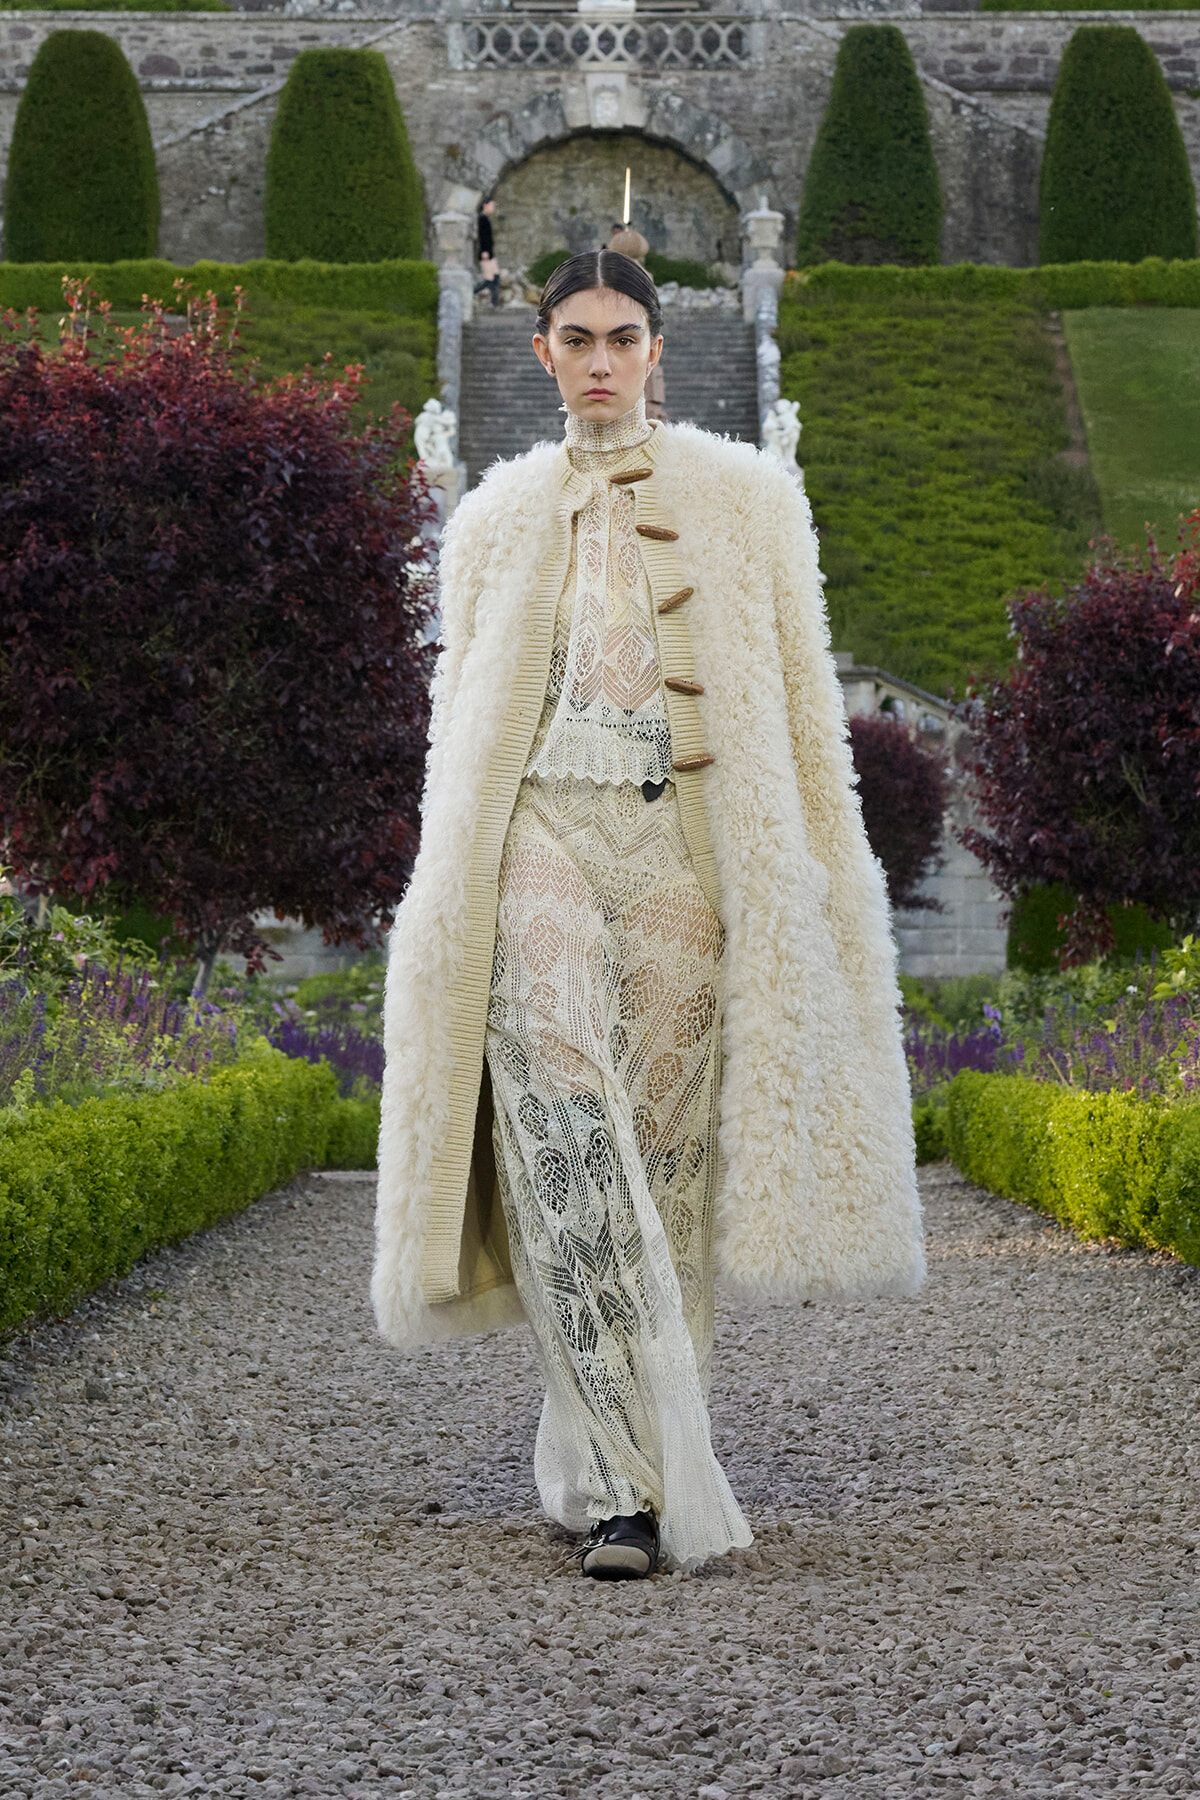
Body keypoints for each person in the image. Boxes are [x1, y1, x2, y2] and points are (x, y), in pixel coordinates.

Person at [373, 250, 923, 1580]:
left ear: (660, 348)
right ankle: (630, 1487)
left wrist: (811, 893)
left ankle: (640, 1443)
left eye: (626, 334)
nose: (604, 357)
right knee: (565, 1134)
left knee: (662, 1164)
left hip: (684, 852)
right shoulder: (498, 516)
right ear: (544, 352)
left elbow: (801, 711)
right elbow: (462, 728)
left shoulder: (748, 503)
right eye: (578, 336)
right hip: (541, 839)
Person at [474, 198, 500, 308]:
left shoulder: (485, 219)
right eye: (492, 205)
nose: (493, 208)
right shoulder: (482, 219)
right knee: (489, 279)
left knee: (495, 277)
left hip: (489, 253)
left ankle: (496, 303)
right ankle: (471, 291)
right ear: (485, 205)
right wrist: (484, 251)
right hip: (486, 253)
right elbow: (483, 237)